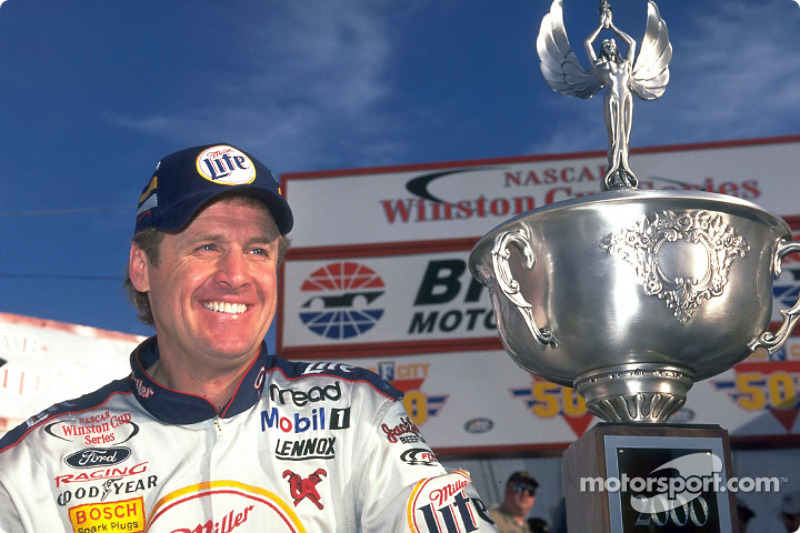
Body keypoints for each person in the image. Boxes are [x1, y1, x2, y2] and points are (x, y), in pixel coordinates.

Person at [0, 143, 498, 532]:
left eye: (258, 250)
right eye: (207, 246)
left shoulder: (359, 414)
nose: (236, 275)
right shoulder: (36, 461)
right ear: (142, 267)